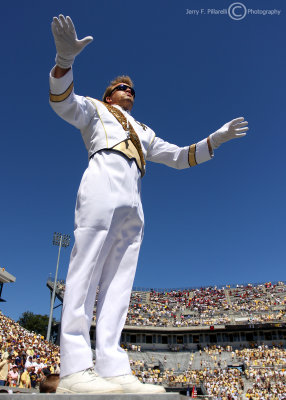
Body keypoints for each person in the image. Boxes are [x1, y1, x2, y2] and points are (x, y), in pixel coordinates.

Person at [49, 14, 249, 395]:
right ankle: (74, 366)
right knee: (86, 266)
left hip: (133, 193)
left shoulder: (144, 130)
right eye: (122, 87)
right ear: (110, 95)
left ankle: (110, 364)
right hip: (103, 176)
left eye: (132, 89)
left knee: (120, 280)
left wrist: (215, 140)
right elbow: (63, 103)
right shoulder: (95, 108)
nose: (128, 91)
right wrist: (65, 61)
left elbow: (177, 156)